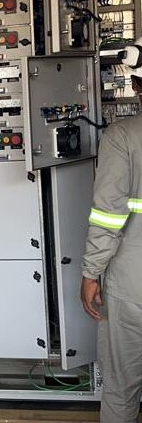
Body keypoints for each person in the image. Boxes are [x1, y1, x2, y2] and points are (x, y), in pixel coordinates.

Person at [81, 38, 142, 423]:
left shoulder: (123, 136)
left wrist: (91, 274)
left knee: (121, 389)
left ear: (135, 84)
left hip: (133, 287)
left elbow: (108, 216)